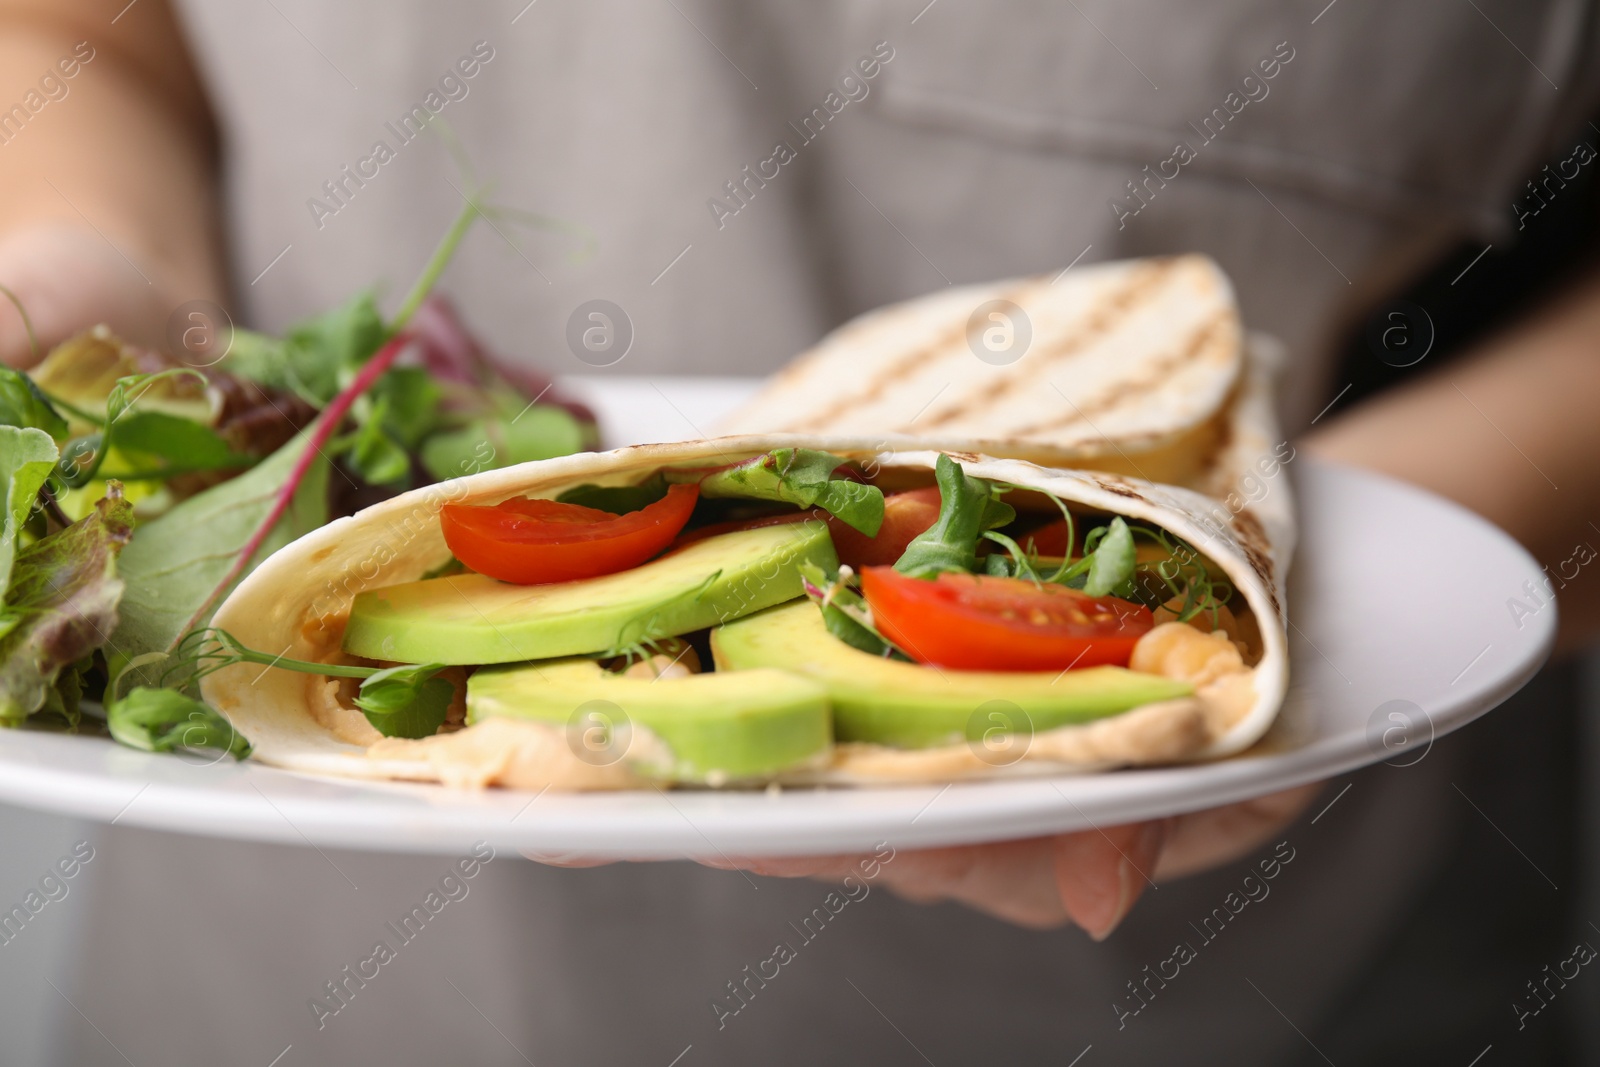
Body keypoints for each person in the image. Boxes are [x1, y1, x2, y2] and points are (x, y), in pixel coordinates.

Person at [1, 0, 1597, 1062]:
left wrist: (1378, 563)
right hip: (261, 989)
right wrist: (82, 284)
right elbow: (81, 33)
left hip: (1247, 993)